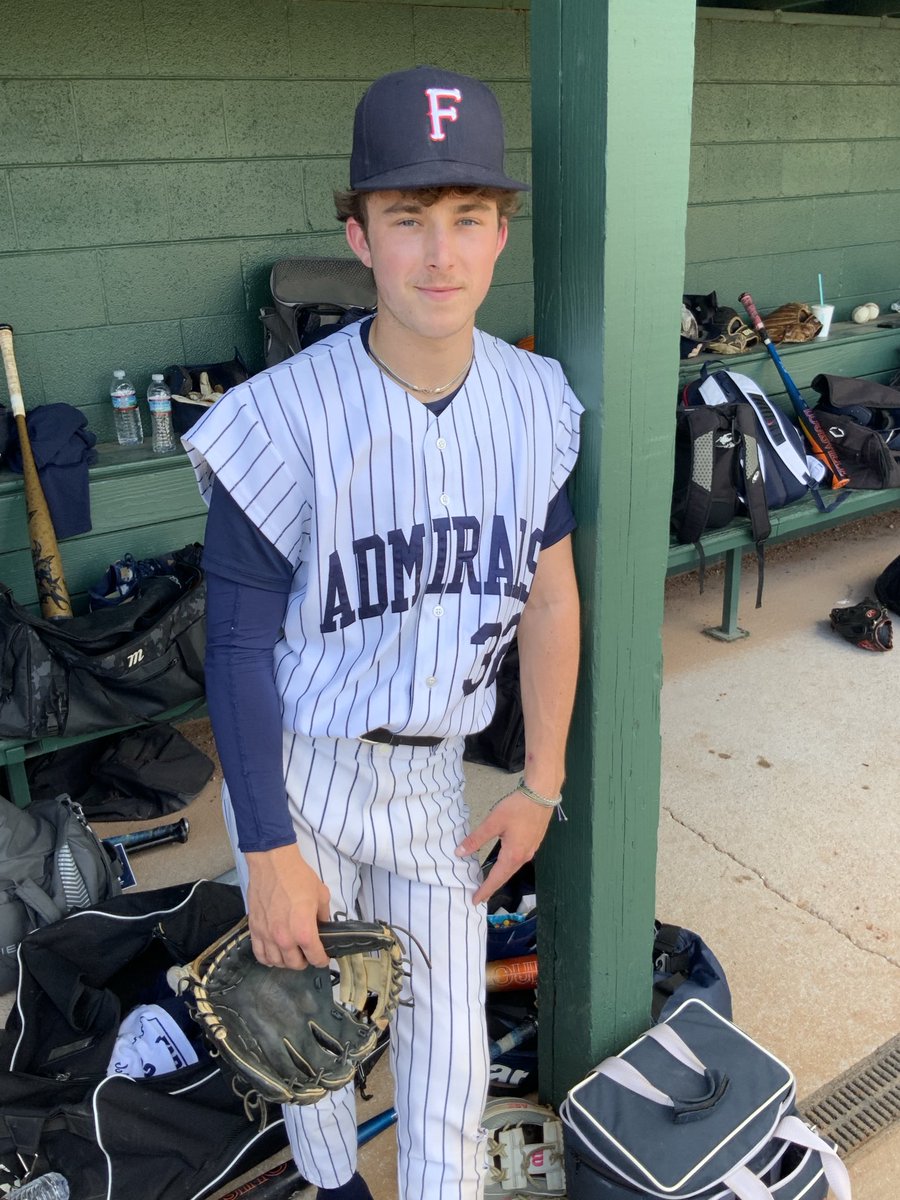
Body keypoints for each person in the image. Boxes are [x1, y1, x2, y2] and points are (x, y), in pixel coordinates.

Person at [184, 65, 582, 1200]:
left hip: (431, 786)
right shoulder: (283, 418)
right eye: (408, 218)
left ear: (502, 234)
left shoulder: (535, 399)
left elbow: (550, 595)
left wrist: (541, 778)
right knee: (307, 1035)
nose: (440, 253)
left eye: (469, 217)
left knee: (450, 1054)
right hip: (303, 772)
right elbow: (238, 650)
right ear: (358, 235)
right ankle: (337, 1188)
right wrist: (266, 851)